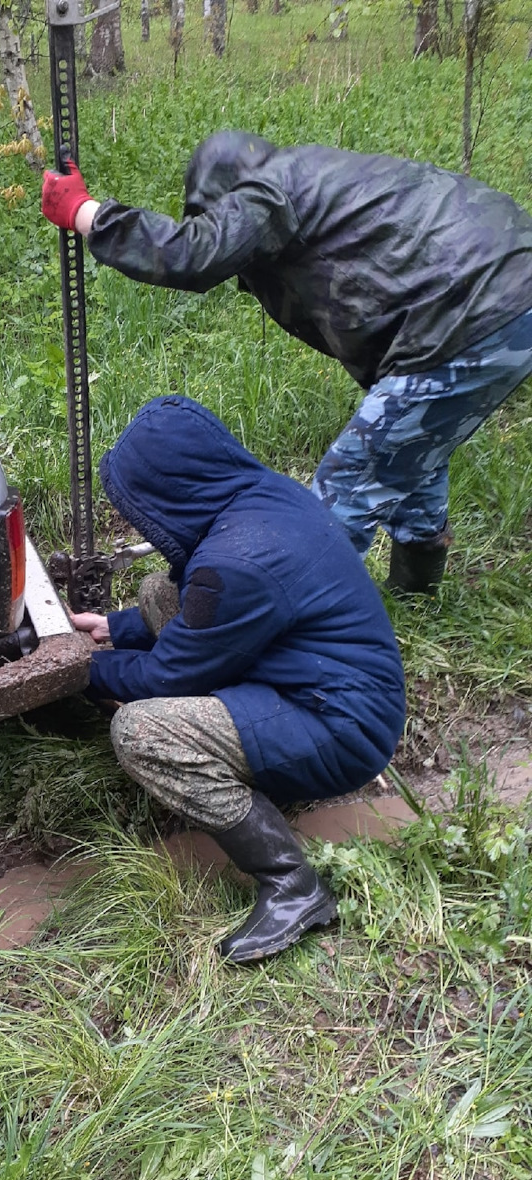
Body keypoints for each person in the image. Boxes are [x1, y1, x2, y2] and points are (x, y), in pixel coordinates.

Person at [41, 136, 532, 593]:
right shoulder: (313, 173)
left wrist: (86, 212)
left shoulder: (265, 193)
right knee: (412, 437)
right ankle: (418, 593)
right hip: (509, 286)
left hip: (474, 308)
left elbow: (190, 254)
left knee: (347, 484)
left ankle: (290, 618)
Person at [71, 394, 406, 962]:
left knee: (141, 731)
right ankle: (239, 741)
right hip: (324, 676)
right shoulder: (264, 499)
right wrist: (115, 628)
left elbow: (159, 679)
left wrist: (78, 670)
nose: (140, 523)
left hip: (342, 722)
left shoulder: (237, 566)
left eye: (141, 510)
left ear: (171, 493)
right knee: (160, 592)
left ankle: (292, 886)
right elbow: (204, 619)